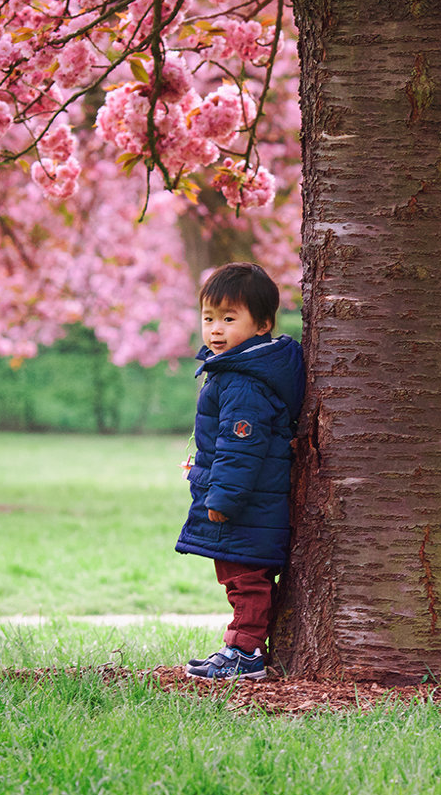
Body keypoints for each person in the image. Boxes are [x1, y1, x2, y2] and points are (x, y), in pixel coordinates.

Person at [175, 262, 305, 681]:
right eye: (209, 318)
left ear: (262, 324)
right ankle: (243, 646)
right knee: (238, 575)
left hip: (247, 505)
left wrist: (222, 499)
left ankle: (244, 651)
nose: (215, 329)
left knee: (245, 578)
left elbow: (240, 447)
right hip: (250, 501)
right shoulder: (234, 371)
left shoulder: (244, 383)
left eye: (229, 319)